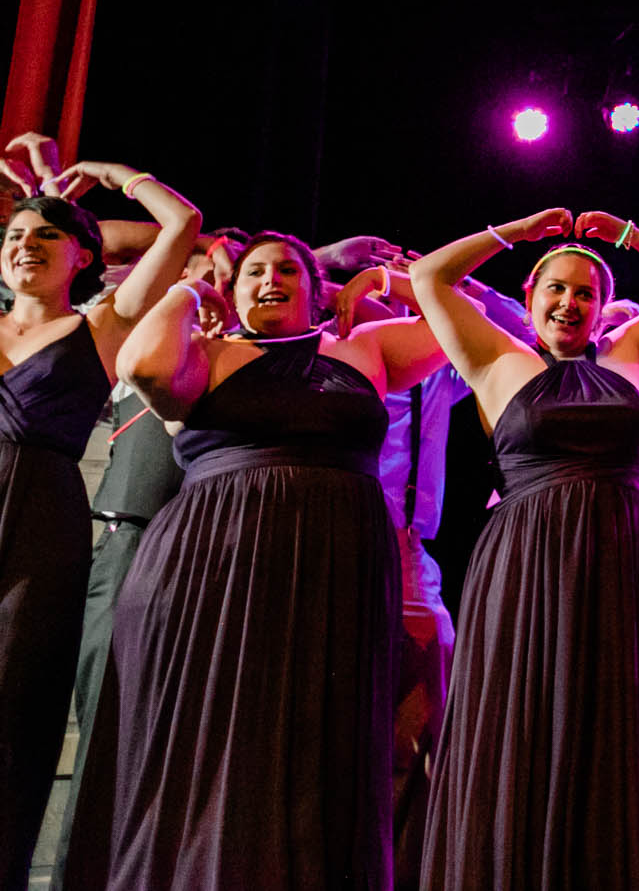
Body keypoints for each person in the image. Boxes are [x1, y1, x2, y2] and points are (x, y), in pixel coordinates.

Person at [68, 230, 439, 891]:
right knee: (212, 732)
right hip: (215, 560)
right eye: (254, 272)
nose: (271, 279)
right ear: (232, 291)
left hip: (338, 560)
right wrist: (189, 289)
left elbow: (455, 317)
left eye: (288, 270)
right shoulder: (207, 352)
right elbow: (142, 368)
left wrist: (384, 282)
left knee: (318, 740)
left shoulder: (361, 347)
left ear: (315, 287)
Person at [412, 210, 639, 891]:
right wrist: (516, 231)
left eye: (585, 292)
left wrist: (629, 234)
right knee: (522, 716)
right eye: (556, 288)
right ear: (529, 297)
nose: (569, 302)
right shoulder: (499, 357)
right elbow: (429, 275)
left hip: (620, 560)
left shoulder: (630, 357)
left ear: (602, 307)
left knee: (612, 725)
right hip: (525, 562)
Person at [0, 151, 198, 891]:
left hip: (42, 522)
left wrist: (112, 176)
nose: (26, 244)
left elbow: (182, 225)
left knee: (14, 715)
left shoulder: (103, 328)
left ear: (82, 255)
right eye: (16, 234)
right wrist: (35, 193)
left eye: (47, 236)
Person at [328, 256, 531, 891]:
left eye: (395, 307)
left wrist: (433, 281)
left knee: (426, 698)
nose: (387, 316)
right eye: (369, 305)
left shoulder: (433, 375)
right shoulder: (334, 369)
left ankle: (408, 861)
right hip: (344, 537)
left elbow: (515, 328)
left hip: (412, 550)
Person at [54, 233, 246, 891]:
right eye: (192, 276)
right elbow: (106, 247)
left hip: (210, 560)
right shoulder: (133, 346)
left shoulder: (239, 360)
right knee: (108, 722)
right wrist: (199, 260)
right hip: (131, 542)